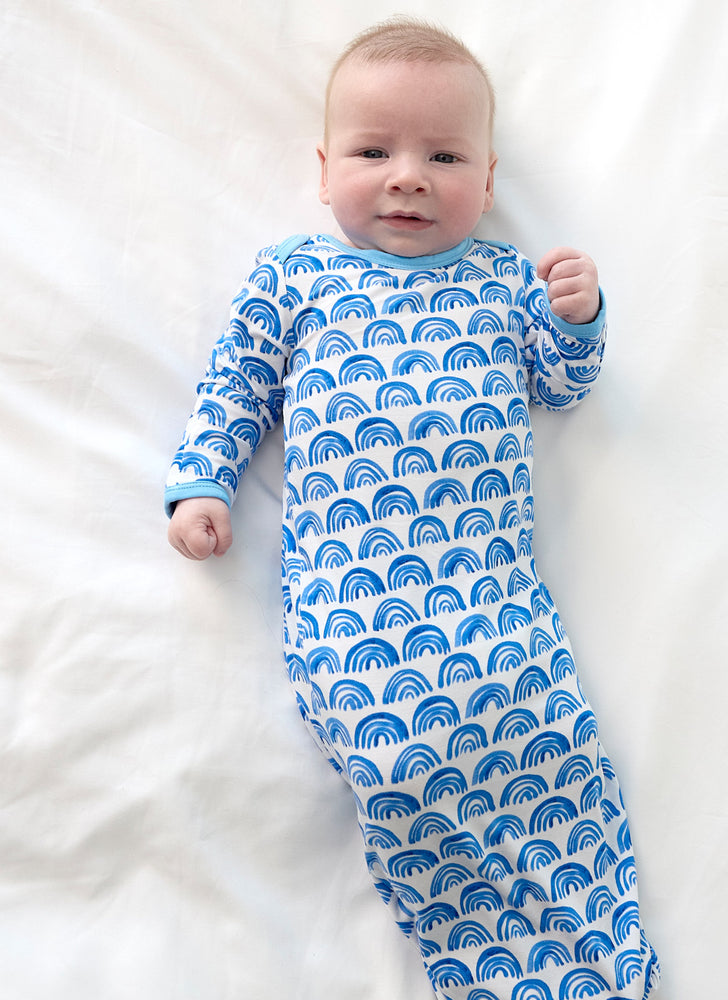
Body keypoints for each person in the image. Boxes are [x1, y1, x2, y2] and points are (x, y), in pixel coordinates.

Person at [166, 16, 659, 1000]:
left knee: (553, 754)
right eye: (372, 151)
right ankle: (487, 973)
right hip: (358, 614)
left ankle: (604, 967)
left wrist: (574, 316)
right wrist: (202, 483)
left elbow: (561, 385)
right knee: (408, 772)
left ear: (487, 176)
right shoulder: (298, 276)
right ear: (322, 168)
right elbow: (234, 390)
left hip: (494, 602)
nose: (406, 176)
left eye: (443, 154)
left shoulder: (499, 281)